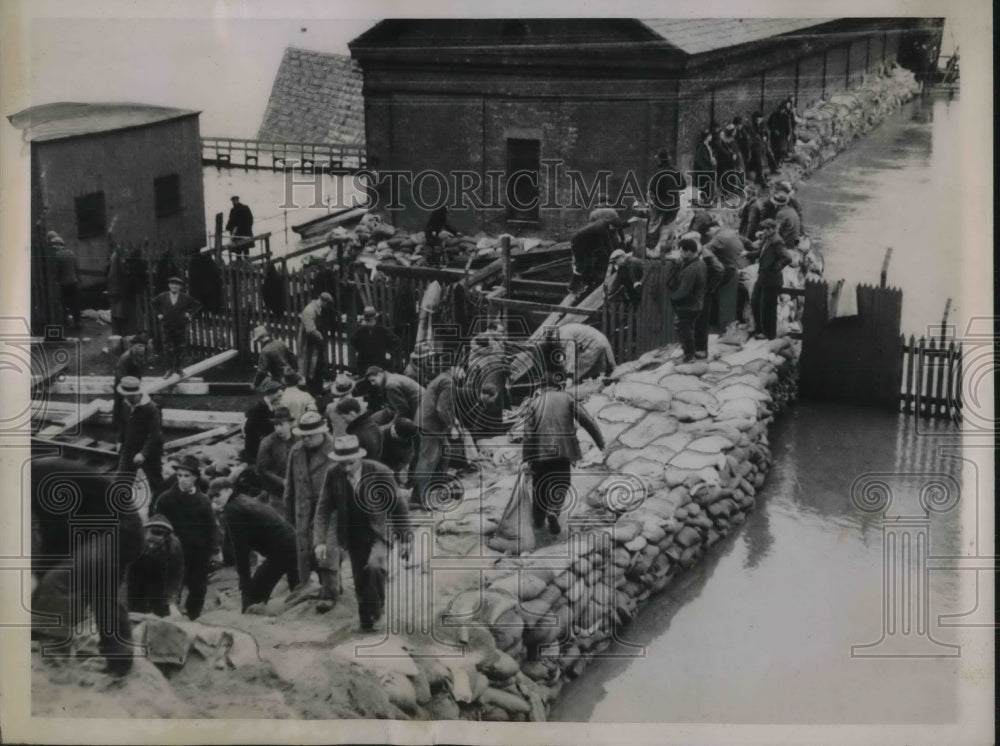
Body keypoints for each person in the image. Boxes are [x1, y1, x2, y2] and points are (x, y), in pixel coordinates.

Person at [31, 457, 145, 675]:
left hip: (119, 530)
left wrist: (39, 578)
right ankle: (119, 662)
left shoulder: (40, 478)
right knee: (102, 594)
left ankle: (57, 662)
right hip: (112, 530)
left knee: (56, 581)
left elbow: (57, 537)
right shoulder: (34, 475)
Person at [314, 435, 412, 631]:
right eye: (342, 464)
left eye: (350, 464)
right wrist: (320, 541)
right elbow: (323, 508)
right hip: (352, 533)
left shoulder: (380, 472)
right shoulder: (333, 474)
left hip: (379, 531)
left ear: (359, 458)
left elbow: (399, 506)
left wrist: (405, 538)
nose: (347, 469)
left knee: (375, 567)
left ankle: (379, 611)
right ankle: (366, 620)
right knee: (360, 578)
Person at [521, 374, 606, 535]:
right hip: (564, 450)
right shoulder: (567, 398)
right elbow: (587, 420)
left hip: (540, 451)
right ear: (558, 385)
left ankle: (538, 521)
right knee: (561, 481)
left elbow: (528, 434)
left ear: (541, 387)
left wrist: (527, 458)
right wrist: (600, 441)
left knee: (539, 484)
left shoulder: (534, 403)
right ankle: (554, 510)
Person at [210, 471, 300, 613]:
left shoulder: (233, 510)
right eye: (212, 497)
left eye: (217, 495)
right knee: (297, 588)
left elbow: (241, 551)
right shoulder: (242, 499)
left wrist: (245, 585)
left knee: (255, 595)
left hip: (282, 550)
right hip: (294, 542)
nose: (214, 500)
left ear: (229, 490)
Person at [283, 411, 339, 610]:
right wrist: (288, 514)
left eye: (310, 435)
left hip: (329, 511)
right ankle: (308, 587)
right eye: (303, 435)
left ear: (322, 432)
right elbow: (289, 485)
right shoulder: (296, 451)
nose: (305, 439)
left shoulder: (335, 451)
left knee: (326, 551)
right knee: (304, 552)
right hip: (302, 510)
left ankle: (330, 592)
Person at [152, 455, 217, 620]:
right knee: (170, 589)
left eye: (187, 476)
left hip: (198, 553)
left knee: (198, 590)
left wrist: (212, 551)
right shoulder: (165, 499)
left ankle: (194, 618)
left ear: (195, 477)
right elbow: (156, 527)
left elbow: (211, 529)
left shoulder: (203, 501)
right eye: (179, 476)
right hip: (172, 552)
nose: (182, 480)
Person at [412, 365, 464, 509]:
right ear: (456, 369)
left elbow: (447, 406)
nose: (464, 377)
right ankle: (418, 498)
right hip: (430, 425)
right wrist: (451, 426)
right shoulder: (448, 382)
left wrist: (454, 420)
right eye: (463, 372)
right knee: (428, 461)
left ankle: (435, 489)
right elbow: (441, 408)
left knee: (444, 453)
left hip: (428, 422)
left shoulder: (444, 379)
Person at [126, 514, 184, 618]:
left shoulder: (173, 547)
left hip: (159, 574)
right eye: (150, 541)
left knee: (161, 610)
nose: (152, 546)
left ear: (165, 538)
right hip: (134, 571)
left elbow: (175, 579)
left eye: (156, 543)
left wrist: (172, 603)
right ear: (144, 532)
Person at [746, 219, 795, 340]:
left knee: (768, 307)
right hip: (763, 276)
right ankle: (760, 329)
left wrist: (776, 266)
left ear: (772, 229)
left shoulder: (777, 241)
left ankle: (769, 334)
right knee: (755, 301)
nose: (763, 232)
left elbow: (787, 258)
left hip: (772, 278)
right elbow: (761, 253)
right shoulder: (768, 239)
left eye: (766, 229)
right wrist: (748, 254)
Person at [117, 375, 165, 500]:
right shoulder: (125, 403)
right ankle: (120, 510)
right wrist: (120, 440)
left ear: (137, 393)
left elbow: (155, 434)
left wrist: (143, 453)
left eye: (131, 395)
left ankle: (159, 508)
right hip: (129, 448)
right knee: (121, 482)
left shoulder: (152, 408)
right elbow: (123, 423)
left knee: (156, 482)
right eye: (126, 395)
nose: (128, 398)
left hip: (150, 451)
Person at [151, 275, 201, 377]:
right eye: (172, 284)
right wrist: (159, 314)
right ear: (169, 285)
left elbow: (197, 304)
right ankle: (169, 369)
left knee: (180, 347)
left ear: (180, 287)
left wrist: (189, 313)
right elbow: (153, 303)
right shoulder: (163, 296)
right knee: (167, 348)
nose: (174, 286)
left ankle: (178, 368)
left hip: (181, 326)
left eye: (177, 285)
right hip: (167, 325)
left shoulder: (185, 297)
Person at [667, 235, 707, 363]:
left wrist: (673, 298)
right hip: (696, 303)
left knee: (684, 329)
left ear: (690, 251)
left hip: (688, 305)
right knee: (687, 328)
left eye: (683, 251)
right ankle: (692, 352)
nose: (681, 254)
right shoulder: (700, 263)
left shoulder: (692, 269)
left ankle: (689, 356)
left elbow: (684, 292)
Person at [702, 224, 753, 324]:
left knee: (711, 289)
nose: (708, 235)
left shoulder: (719, 237)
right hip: (745, 267)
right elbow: (749, 243)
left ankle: (713, 321)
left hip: (736, 271)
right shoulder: (730, 232)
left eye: (708, 232)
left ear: (712, 229)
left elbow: (704, 250)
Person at [256, 406, 298, 512]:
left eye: (281, 424)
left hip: (298, 490)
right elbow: (262, 469)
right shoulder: (268, 442)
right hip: (276, 493)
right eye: (276, 425)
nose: (278, 428)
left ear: (290, 424)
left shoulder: (299, 440)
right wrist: (282, 481)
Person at [569, 213, 622, 295]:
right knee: (581, 265)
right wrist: (613, 257)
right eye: (614, 229)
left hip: (586, 244)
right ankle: (572, 287)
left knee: (589, 263)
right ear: (611, 225)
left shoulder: (606, 224)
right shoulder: (601, 228)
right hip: (578, 243)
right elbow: (605, 246)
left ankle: (585, 283)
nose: (614, 231)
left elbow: (608, 243)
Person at [692, 232, 726, 359]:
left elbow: (720, 270)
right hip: (700, 292)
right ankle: (697, 348)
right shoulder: (702, 253)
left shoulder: (706, 255)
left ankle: (701, 350)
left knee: (701, 320)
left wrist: (709, 288)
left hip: (704, 293)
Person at [646, 150, 687, 254]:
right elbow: (683, 185)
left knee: (653, 226)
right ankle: (664, 250)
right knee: (667, 227)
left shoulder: (658, 172)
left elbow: (652, 188)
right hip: (674, 205)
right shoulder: (675, 171)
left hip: (660, 205)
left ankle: (650, 249)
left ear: (659, 160)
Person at [112, 333, 149, 439]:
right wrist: (127, 387)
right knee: (120, 406)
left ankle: (131, 430)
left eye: (143, 346)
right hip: (123, 384)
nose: (142, 349)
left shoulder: (138, 355)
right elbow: (120, 374)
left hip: (134, 384)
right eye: (139, 346)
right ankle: (116, 431)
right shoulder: (125, 358)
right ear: (133, 346)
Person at [298, 292, 334, 396]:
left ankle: (318, 389)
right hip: (309, 343)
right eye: (327, 304)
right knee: (310, 368)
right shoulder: (309, 310)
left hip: (316, 344)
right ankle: (312, 392)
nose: (327, 307)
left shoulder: (318, 308)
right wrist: (322, 338)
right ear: (323, 301)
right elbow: (311, 330)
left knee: (318, 367)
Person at [350, 305, 400, 374]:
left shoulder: (382, 330)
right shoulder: (361, 331)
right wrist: (359, 350)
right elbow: (352, 340)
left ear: (375, 319)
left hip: (379, 363)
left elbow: (396, 341)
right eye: (367, 320)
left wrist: (388, 351)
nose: (369, 322)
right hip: (364, 364)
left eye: (371, 319)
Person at [242, 379, 283, 464]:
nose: (280, 399)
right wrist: (261, 437)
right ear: (270, 394)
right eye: (278, 396)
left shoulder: (272, 406)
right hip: (255, 447)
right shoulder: (259, 408)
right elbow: (248, 428)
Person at [49, 233, 81, 330]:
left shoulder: (56, 255)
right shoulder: (71, 253)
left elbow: (56, 271)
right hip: (74, 282)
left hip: (64, 283)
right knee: (75, 303)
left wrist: (56, 281)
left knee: (64, 303)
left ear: (56, 245)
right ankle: (77, 322)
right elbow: (76, 268)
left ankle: (65, 322)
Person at [335, 397, 383, 461]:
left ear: (352, 413)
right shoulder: (373, 424)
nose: (344, 421)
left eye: (344, 418)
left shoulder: (356, 436)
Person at [251, 325, 297, 389]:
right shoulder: (281, 343)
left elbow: (262, 371)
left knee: (265, 385)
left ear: (260, 339)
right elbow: (293, 359)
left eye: (258, 340)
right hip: (291, 376)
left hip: (279, 380)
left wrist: (255, 384)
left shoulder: (265, 351)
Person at [378, 417, 419, 483]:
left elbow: (407, 457)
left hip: (391, 469)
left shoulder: (407, 438)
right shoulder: (378, 434)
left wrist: (401, 468)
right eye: (403, 439)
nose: (406, 441)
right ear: (395, 433)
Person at [692, 128, 718, 206]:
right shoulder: (701, 147)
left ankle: (707, 200)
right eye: (710, 135)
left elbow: (709, 156)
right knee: (703, 185)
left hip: (708, 169)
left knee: (707, 185)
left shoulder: (707, 146)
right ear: (707, 137)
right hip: (703, 169)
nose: (711, 137)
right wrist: (708, 166)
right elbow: (699, 160)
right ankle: (703, 200)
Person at [768, 98, 795, 164]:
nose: (781, 111)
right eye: (780, 110)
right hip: (774, 135)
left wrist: (788, 134)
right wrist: (773, 130)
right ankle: (776, 162)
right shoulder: (774, 115)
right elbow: (769, 123)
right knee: (775, 149)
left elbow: (788, 126)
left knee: (782, 149)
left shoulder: (785, 116)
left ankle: (780, 162)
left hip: (782, 136)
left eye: (782, 110)